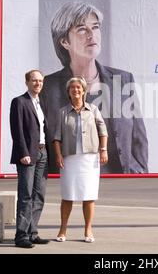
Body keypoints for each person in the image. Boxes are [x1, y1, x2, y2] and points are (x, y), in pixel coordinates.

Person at [40, 1, 148, 174]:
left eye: (95, 27)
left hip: (122, 183)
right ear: (64, 42)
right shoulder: (48, 87)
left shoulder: (123, 79)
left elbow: (138, 137)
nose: (92, 35)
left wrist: (141, 172)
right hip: (72, 179)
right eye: (82, 29)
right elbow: (44, 139)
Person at [53, 76, 108, 243]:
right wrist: (58, 154)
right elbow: (56, 137)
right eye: (72, 88)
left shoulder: (93, 109)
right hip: (69, 159)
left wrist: (103, 150)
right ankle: (62, 230)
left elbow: (103, 131)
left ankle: (88, 230)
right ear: (68, 92)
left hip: (90, 158)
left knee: (88, 195)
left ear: (84, 91)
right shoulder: (62, 111)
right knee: (67, 195)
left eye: (79, 88)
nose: (76, 90)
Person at [9, 69, 50, 248]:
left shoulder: (41, 103)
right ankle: (21, 236)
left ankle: (33, 233)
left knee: (39, 195)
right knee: (26, 196)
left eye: (40, 81)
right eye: (34, 81)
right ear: (27, 82)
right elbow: (17, 131)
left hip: (43, 153)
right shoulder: (19, 102)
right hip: (27, 154)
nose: (38, 84)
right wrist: (23, 152)